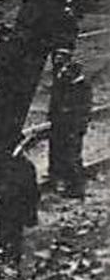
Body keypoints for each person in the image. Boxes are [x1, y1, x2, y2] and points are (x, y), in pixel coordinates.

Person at [0, 134, 41, 270]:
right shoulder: (23, 165)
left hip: (13, 207)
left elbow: (32, 193)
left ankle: (6, 262)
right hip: (8, 207)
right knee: (7, 236)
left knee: (9, 237)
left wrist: (31, 215)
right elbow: (33, 193)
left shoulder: (22, 165)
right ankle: (5, 262)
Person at [47, 56, 92, 198]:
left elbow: (82, 109)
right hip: (66, 126)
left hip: (74, 127)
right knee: (67, 154)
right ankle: (70, 184)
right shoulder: (71, 84)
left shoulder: (83, 86)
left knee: (72, 156)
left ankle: (77, 188)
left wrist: (67, 112)